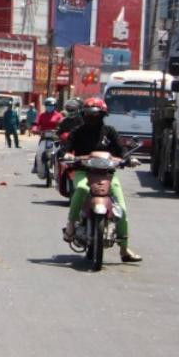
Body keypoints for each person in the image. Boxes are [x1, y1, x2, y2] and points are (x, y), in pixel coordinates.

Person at [63, 97, 141, 262]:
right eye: (88, 114)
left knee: (122, 209)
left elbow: (122, 149)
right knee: (82, 189)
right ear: (83, 114)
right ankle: (71, 225)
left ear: (102, 115)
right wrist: (67, 154)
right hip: (83, 172)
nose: (91, 117)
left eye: (95, 114)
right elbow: (66, 148)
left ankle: (124, 249)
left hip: (107, 175)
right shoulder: (77, 131)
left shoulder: (109, 131)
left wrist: (128, 159)